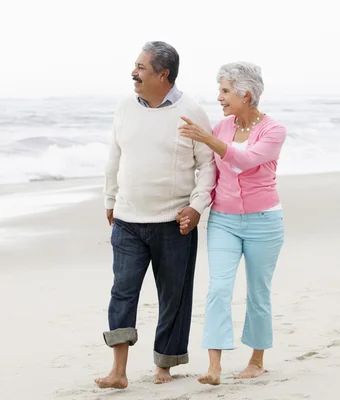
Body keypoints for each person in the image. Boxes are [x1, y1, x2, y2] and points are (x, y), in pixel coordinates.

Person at [95, 41, 216, 389]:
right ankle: (118, 371)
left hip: (173, 223)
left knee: (174, 296)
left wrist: (196, 207)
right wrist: (110, 198)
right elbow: (114, 157)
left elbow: (207, 166)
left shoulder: (192, 112)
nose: (133, 72)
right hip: (129, 221)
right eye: (135, 66)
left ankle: (165, 364)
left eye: (141, 67)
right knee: (122, 292)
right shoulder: (124, 108)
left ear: (163, 75)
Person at [177, 61, 287, 385]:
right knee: (219, 289)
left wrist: (208, 140)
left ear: (246, 95)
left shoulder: (274, 131)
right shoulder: (221, 128)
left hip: (264, 222)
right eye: (220, 90)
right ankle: (214, 366)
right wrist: (196, 206)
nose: (219, 98)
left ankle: (256, 360)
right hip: (223, 220)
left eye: (225, 91)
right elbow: (210, 173)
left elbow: (246, 159)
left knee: (258, 292)